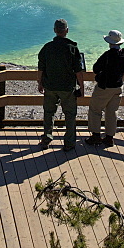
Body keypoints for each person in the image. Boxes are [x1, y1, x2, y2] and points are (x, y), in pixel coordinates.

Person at [37, 18, 85, 151]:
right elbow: (78, 72)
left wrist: (39, 83)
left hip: (50, 86)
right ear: (67, 31)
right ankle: (69, 143)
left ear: (54, 31)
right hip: (67, 88)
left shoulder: (47, 47)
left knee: (49, 112)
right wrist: (82, 86)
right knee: (70, 114)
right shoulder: (72, 48)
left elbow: (41, 68)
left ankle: (46, 139)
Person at [85, 29, 124, 148]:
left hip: (104, 87)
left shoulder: (108, 55)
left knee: (95, 110)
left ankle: (96, 136)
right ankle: (109, 138)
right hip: (118, 87)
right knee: (112, 112)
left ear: (109, 42)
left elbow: (95, 68)